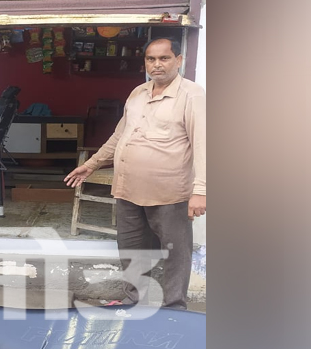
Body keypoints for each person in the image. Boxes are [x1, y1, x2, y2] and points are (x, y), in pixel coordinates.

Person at [64, 38, 206, 310]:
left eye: (164, 58)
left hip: (169, 193)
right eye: (151, 59)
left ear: (179, 60)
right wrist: (92, 164)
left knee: (176, 253)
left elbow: (203, 144)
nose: (157, 64)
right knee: (131, 250)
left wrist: (201, 190)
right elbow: (120, 135)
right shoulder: (138, 93)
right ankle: (134, 302)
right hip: (128, 189)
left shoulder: (192, 95)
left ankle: (174, 308)